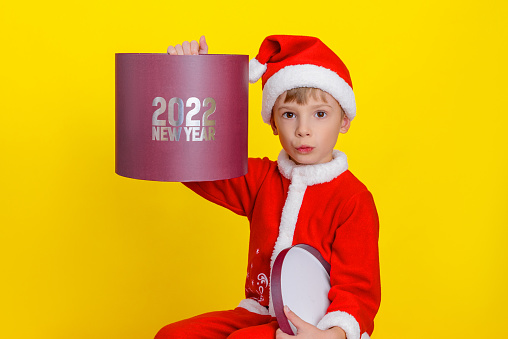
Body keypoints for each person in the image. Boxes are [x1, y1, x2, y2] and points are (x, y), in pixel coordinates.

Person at [156, 35, 380, 339]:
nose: (303, 129)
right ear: (273, 123)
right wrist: (189, 78)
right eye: (289, 114)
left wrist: (335, 333)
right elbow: (198, 164)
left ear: (344, 120)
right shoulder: (262, 178)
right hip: (257, 312)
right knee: (173, 335)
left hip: (316, 325)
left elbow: (359, 287)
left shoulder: (353, 199)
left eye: (320, 114)